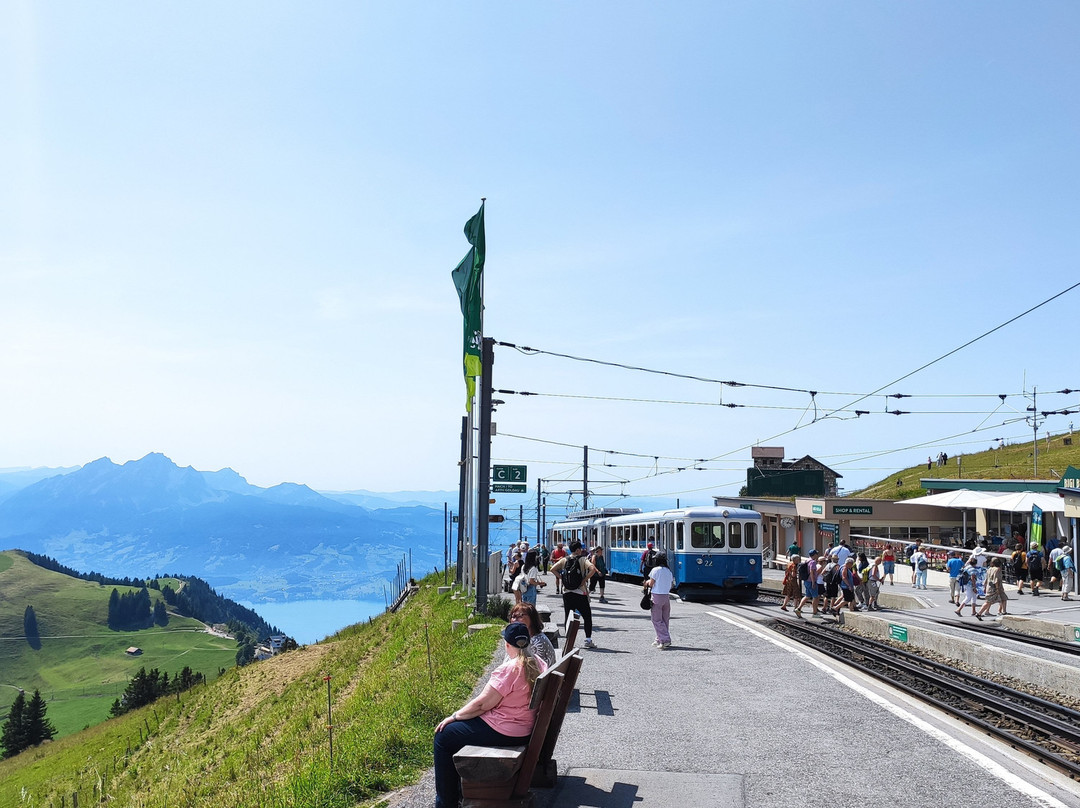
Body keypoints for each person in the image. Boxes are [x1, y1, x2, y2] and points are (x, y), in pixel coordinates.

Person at [433, 622, 547, 808]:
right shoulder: (539, 664)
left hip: (504, 730)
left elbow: (482, 705)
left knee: (444, 736)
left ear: (507, 644)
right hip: (523, 729)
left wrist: (454, 716)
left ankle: (446, 803)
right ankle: (456, 796)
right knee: (454, 733)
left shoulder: (510, 669)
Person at [550, 541, 597, 649]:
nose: (581, 550)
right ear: (577, 550)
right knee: (587, 616)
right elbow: (592, 569)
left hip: (567, 592)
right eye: (580, 549)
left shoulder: (564, 559)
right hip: (580, 592)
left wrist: (563, 579)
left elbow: (552, 569)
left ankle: (568, 640)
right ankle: (588, 639)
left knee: (568, 615)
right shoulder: (582, 559)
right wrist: (584, 579)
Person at [509, 602, 557, 668]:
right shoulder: (529, 637)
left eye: (520, 616)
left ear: (532, 618)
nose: (515, 620)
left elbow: (533, 671)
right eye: (513, 616)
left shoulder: (537, 643)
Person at [644, 552, 675, 648]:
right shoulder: (668, 571)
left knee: (656, 620)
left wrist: (646, 582)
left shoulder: (655, 570)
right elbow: (671, 585)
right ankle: (659, 638)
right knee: (665, 619)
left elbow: (651, 583)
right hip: (666, 597)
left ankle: (665, 640)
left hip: (657, 596)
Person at [794, 549, 820, 617]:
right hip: (811, 581)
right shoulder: (813, 562)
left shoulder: (806, 560)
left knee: (807, 596)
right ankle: (815, 613)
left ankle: (798, 608)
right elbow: (811, 571)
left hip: (806, 581)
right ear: (814, 555)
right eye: (816, 554)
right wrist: (813, 582)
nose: (817, 555)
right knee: (815, 597)